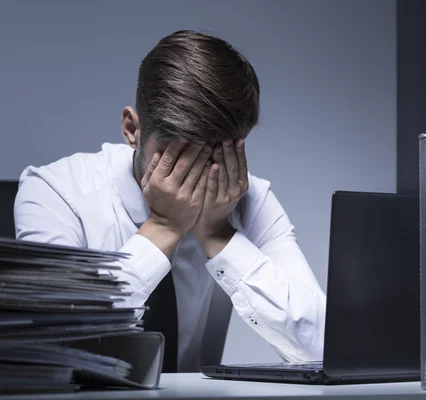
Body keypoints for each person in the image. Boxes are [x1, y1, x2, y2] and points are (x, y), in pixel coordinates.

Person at [14, 30, 326, 373]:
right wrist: (163, 228)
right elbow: (49, 347)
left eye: (213, 159)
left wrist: (220, 236)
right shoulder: (56, 191)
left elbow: (322, 347)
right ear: (132, 129)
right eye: (176, 156)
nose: (194, 178)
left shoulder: (249, 198)